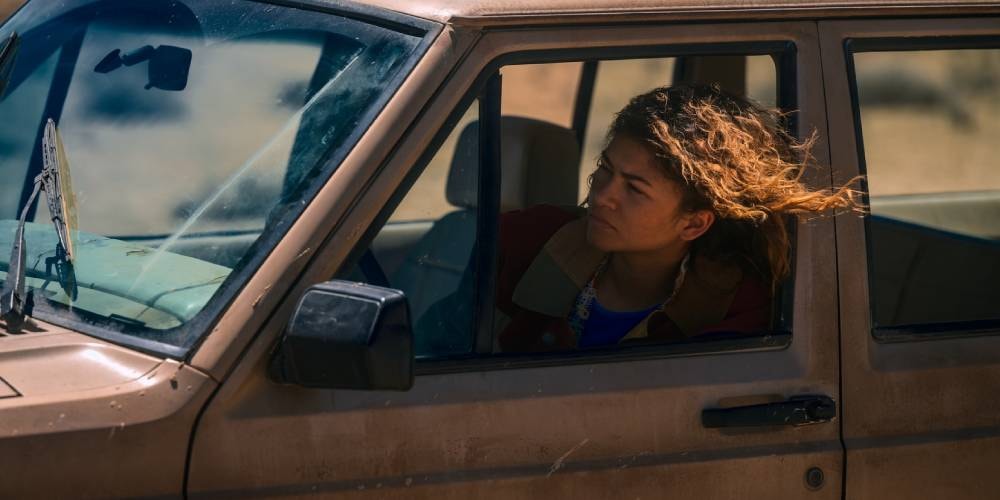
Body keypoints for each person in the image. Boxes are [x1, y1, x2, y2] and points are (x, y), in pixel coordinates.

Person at [493, 84, 860, 352]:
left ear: (693, 224)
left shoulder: (734, 316)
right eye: (606, 170)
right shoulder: (528, 240)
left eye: (635, 189)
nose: (603, 196)